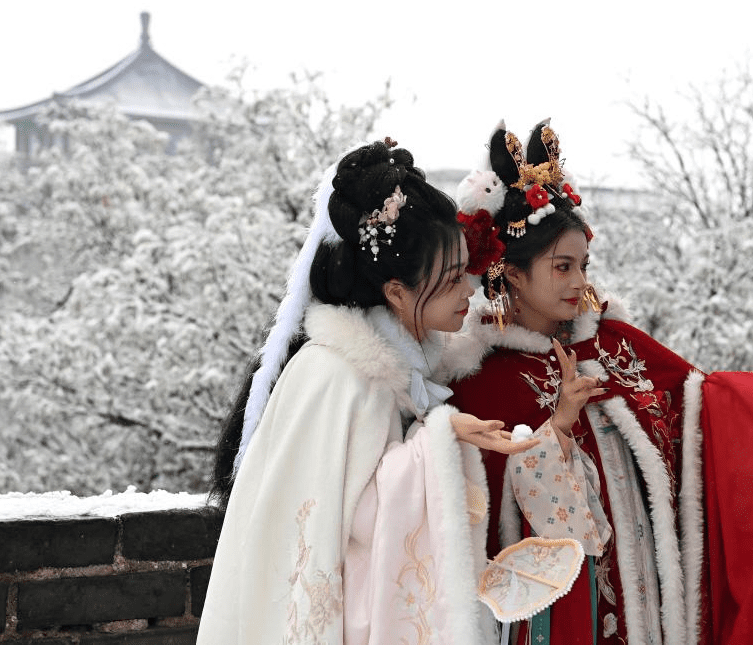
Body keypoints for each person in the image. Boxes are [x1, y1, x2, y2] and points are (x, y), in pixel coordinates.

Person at [444, 121, 753, 645]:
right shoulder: (482, 383)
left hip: (658, 617)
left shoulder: (617, 346)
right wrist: (555, 431)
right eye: (562, 267)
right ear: (512, 273)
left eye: (583, 265)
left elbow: (714, 407)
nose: (581, 282)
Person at [197, 138, 535, 645]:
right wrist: (441, 435)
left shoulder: (398, 367)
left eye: (465, 271)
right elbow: (343, 526)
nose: (470, 290)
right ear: (396, 292)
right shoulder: (338, 377)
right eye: (450, 279)